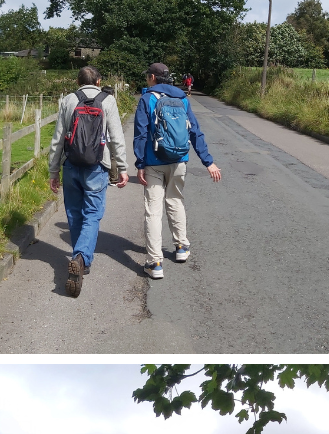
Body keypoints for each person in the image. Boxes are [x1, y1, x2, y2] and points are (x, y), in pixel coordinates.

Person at [133, 62, 222, 279]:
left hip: (154, 162)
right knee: (175, 201)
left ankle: (155, 263)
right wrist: (208, 161)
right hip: (179, 160)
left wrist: (140, 163)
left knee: (153, 211)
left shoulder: (147, 99)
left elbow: (141, 134)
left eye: (148, 76)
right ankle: (181, 247)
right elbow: (195, 132)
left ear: (153, 77)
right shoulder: (182, 99)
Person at [48, 65, 129, 297]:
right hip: (97, 166)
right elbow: (116, 137)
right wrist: (122, 168)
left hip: (71, 165)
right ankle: (81, 257)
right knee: (92, 214)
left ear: (78, 81)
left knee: (74, 213)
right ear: (98, 81)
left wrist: (53, 171)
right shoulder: (108, 100)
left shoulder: (68, 100)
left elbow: (57, 139)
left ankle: (80, 256)